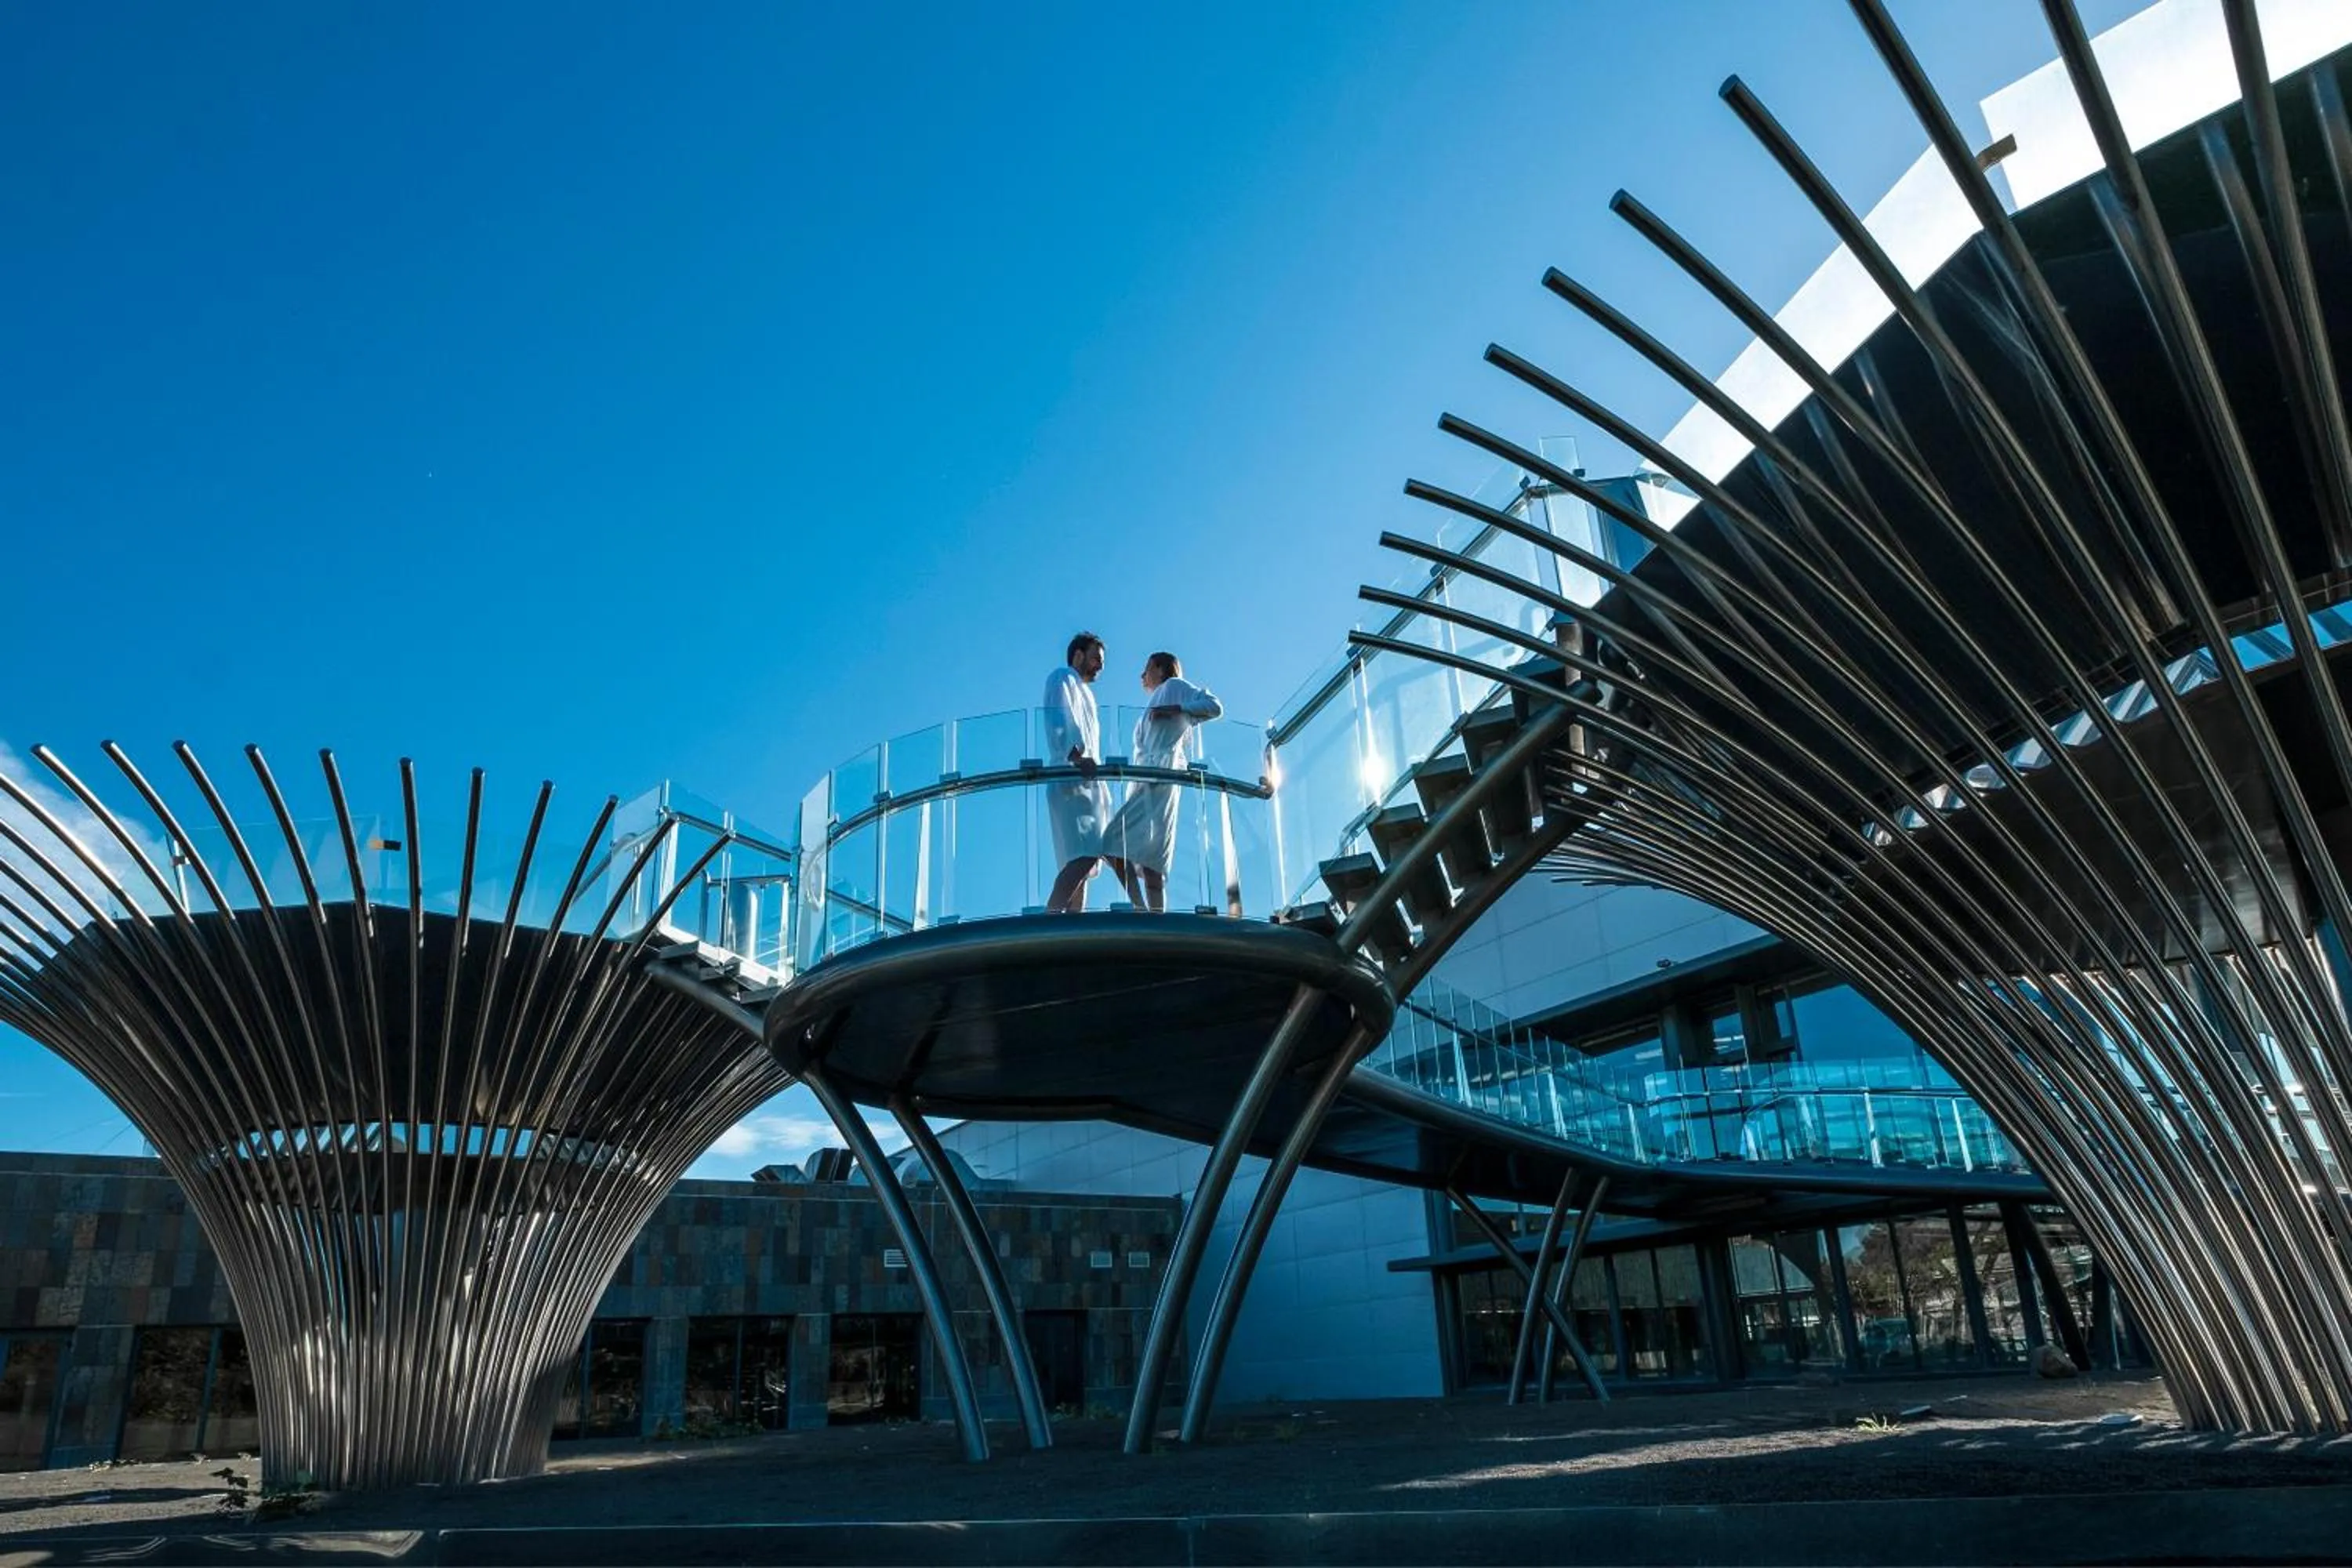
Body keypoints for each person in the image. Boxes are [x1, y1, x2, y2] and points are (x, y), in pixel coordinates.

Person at [1103, 652, 1224, 912]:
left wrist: (1178, 708)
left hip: (1162, 776)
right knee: (1141, 858)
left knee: (1115, 842)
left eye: (1146, 668)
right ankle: (1148, 914)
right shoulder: (1155, 701)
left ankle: (1143, 912)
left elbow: (1214, 706)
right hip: (1146, 779)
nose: (1142, 675)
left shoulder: (1174, 687)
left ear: (1160, 668)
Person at [1042, 632, 1111, 913]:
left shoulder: (1088, 695)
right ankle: (1049, 924)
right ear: (1078, 654)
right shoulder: (1062, 677)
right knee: (1082, 857)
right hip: (1072, 777)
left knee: (1084, 862)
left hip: (1087, 782)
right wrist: (1076, 756)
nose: (1100, 666)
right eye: (1096, 658)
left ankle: (1072, 926)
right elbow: (1058, 717)